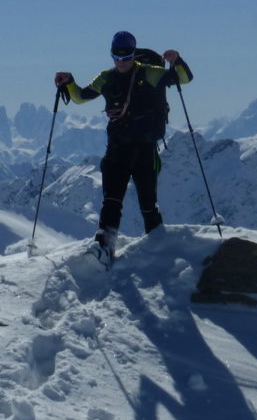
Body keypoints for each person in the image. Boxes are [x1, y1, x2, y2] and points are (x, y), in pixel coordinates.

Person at [54, 31, 193, 258]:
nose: (121, 62)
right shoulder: (105, 77)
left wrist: (176, 60)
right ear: (112, 55)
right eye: (117, 57)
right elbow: (80, 97)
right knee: (111, 200)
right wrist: (69, 82)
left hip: (144, 148)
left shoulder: (150, 72)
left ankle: (155, 248)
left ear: (133, 54)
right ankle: (105, 247)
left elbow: (184, 78)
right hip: (117, 148)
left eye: (126, 56)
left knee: (148, 203)